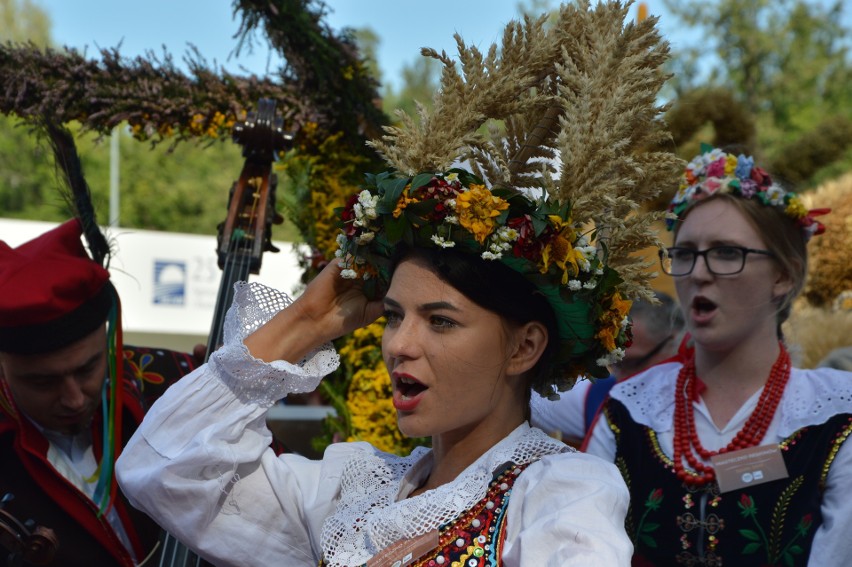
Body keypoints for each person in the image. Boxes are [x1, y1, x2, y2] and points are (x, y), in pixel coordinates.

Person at [116, 2, 681, 564]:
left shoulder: (562, 492)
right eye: (392, 315)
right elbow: (162, 468)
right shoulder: (352, 492)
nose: (398, 345)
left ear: (524, 346)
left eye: (440, 320)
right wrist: (308, 321)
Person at [584, 145, 852, 566]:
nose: (699, 272)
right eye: (686, 253)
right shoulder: (630, 408)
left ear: (784, 275)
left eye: (727, 252)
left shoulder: (835, 413)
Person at [0, 219, 200, 566]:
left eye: (89, 368)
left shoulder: (172, 380)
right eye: (42, 382)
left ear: (108, 338)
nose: (75, 399)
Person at [532, 292, 685, 446]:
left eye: (633, 363)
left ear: (678, 342)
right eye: (613, 363)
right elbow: (523, 399)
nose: (621, 377)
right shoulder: (595, 397)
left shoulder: (704, 404)